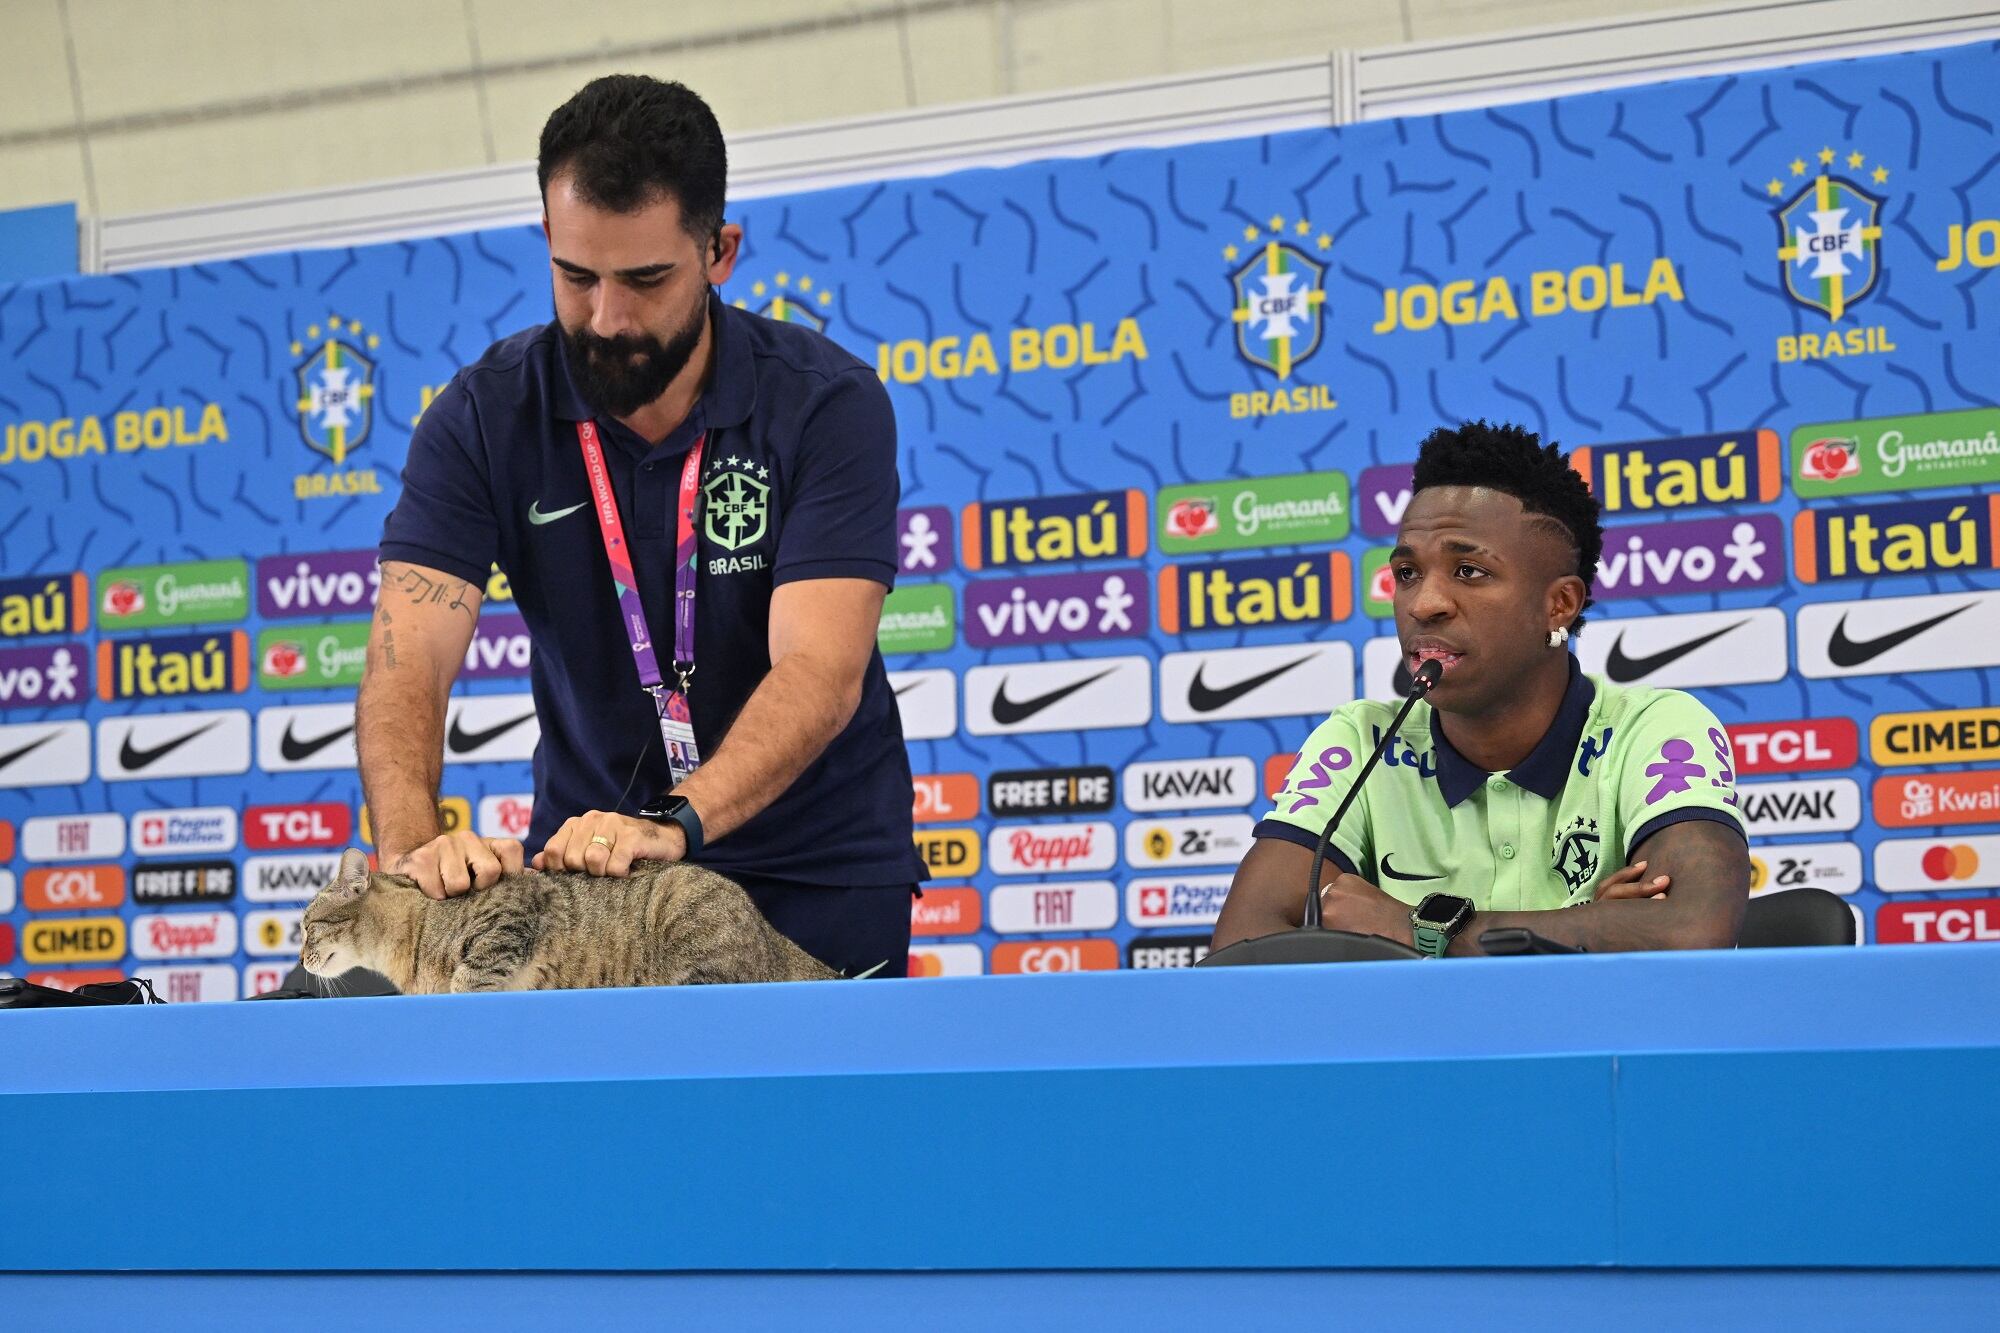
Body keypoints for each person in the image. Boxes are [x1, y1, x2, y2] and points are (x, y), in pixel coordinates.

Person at [357, 74, 923, 978]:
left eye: (646, 279)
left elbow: (820, 666)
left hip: (818, 871)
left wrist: (677, 822)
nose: (607, 318)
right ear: (545, 238)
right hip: (591, 883)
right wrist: (414, 854)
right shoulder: (482, 416)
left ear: (720, 250)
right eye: (576, 276)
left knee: (804, 1122)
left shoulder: (826, 403)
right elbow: (408, 654)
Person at [1212, 421, 1750, 957]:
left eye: (1468, 571)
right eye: (1406, 573)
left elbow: (1689, 930)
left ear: (1558, 605)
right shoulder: (1361, 742)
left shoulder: (1655, 729)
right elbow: (1244, 949)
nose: (1425, 604)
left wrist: (1411, 928)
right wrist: (1588, 927)